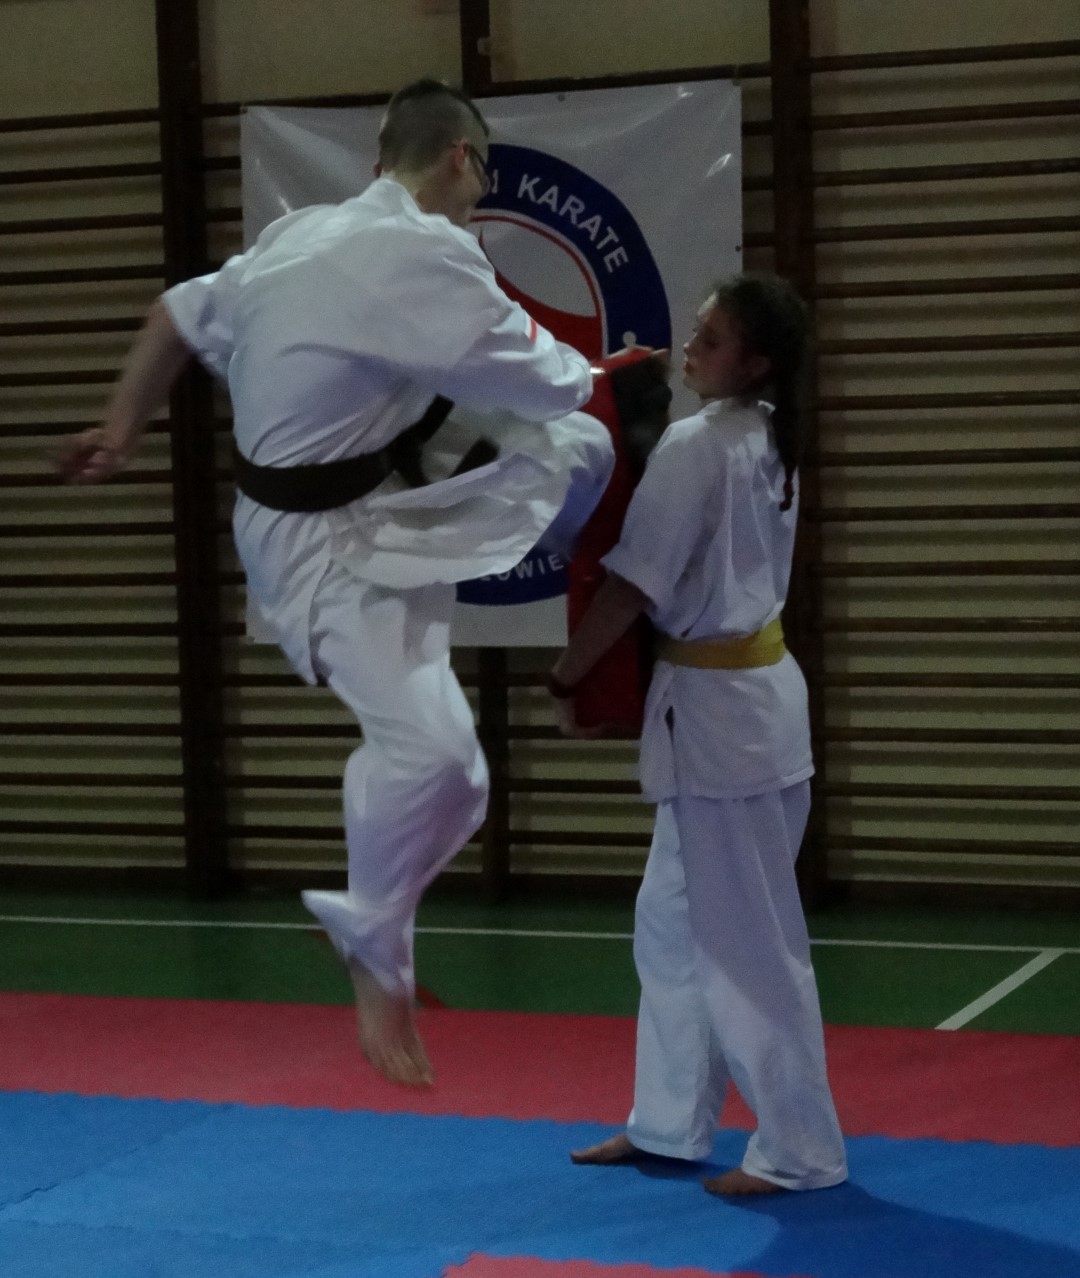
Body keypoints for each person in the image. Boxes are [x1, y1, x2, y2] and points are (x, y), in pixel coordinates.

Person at [58, 79, 613, 1089]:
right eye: (481, 175)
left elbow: (172, 315)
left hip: (350, 509)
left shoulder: (299, 234)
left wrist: (122, 429)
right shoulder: (425, 249)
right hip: (323, 545)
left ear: (375, 164)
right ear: (460, 158)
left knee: (462, 773)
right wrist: (603, 374)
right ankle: (371, 932)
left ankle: (374, 921)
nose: (479, 196)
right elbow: (547, 374)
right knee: (439, 756)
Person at [548, 274, 847, 1197]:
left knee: (748, 946)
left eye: (711, 339)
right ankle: (670, 1124)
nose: (691, 346)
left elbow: (632, 586)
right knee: (671, 929)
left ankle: (800, 1149)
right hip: (745, 707)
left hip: (725, 725)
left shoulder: (699, 446)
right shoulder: (765, 437)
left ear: (753, 364)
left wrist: (569, 675)